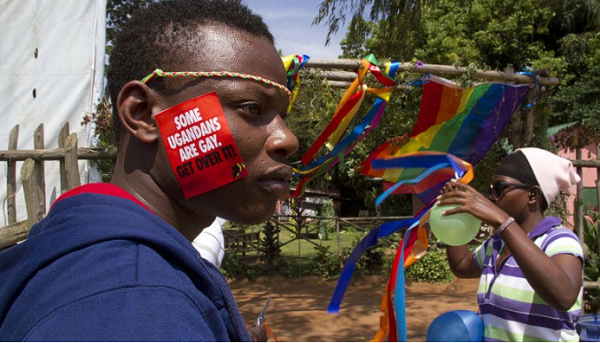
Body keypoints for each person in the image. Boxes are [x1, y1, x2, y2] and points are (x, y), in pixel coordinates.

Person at [0, 0, 298, 341]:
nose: (287, 139)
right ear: (142, 114)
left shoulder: (82, 258)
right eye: (251, 107)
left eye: (282, 116)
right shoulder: (135, 302)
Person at [437, 147, 583, 342]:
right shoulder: (497, 244)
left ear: (532, 195)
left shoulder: (558, 240)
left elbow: (564, 296)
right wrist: (451, 220)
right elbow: (461, 265)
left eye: (499, 188)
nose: (491, 198)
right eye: (491, 190)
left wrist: (502, 221)